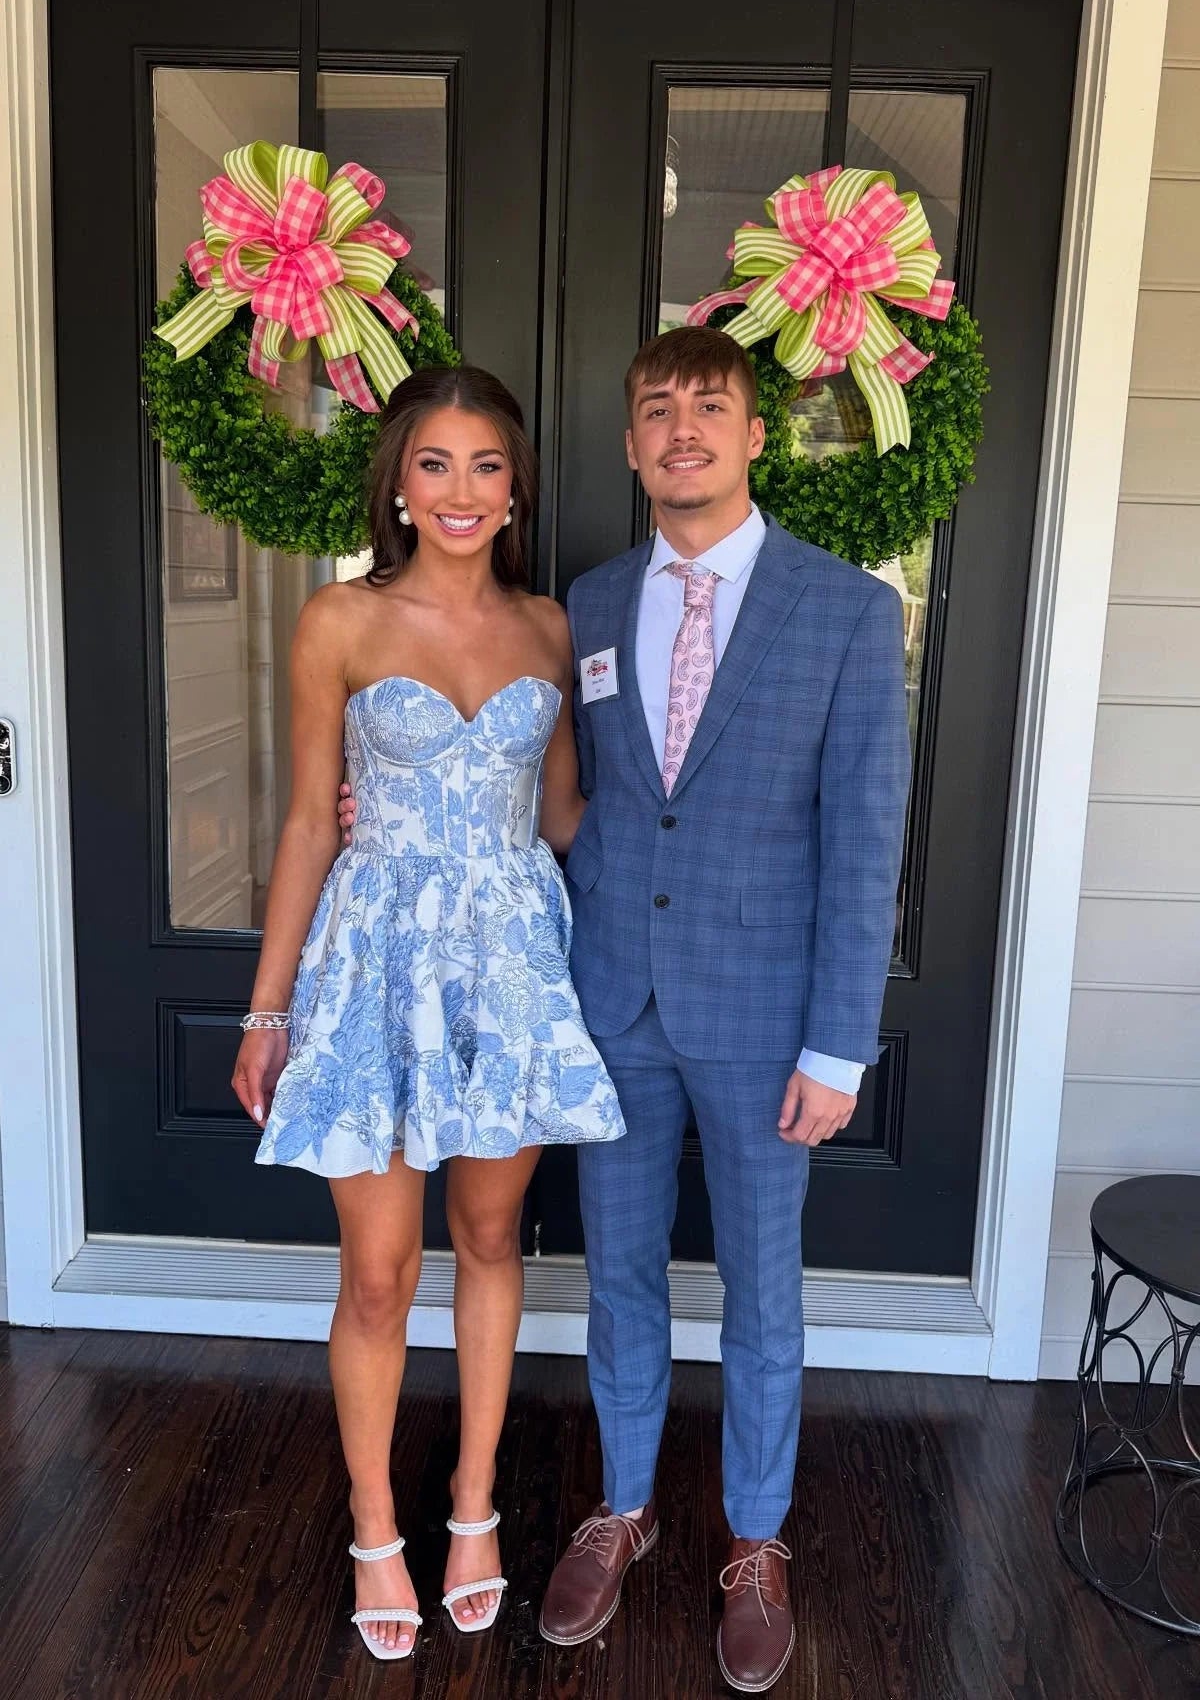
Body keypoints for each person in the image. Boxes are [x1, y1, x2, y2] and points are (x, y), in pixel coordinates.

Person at [337, 327, 910, 1691]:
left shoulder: (843, 610)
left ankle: (756, 1540)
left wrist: (840, 1042)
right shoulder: (587, 605)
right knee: (622, 1274)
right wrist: (401, 808)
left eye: (710, 407)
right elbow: (564, 799)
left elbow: (864, 839)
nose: (682, 430)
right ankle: (624, 1503)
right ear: (632, 444)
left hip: (766, 1013)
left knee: (763, 1284)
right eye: (657, 409)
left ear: (756, 436)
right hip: (607, 1000)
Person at [232, 364, 623, 1666]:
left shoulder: (552, 629)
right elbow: (308, 821)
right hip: (374, 966)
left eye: (487, 465)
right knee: (379, 1271)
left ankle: (471, 1506)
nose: (462, 490)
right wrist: (267, 1011)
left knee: (494, 1234)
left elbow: (563, 817)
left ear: (516, 487)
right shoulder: (338, 618)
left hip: (510, 967)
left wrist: (702, 830)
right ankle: (372, 1525)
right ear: (399, 481)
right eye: (436, 463)